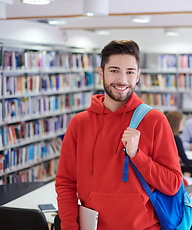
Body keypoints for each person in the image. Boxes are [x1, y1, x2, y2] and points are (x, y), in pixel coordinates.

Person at [55, 40, 182, 230]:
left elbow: (172, 184)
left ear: (138, 75)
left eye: (130, 72)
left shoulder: (155, 120)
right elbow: (66, 183)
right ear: (101, 72)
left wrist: (137, 156)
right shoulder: (79, 123)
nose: (122, 80)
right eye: (114, 70)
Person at [166, 111, 192, 178]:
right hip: (173, 174)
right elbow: (187, 162)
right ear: (176, 124)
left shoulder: (165, 137)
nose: (183, 124)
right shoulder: (176, 139)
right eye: (182, 122)